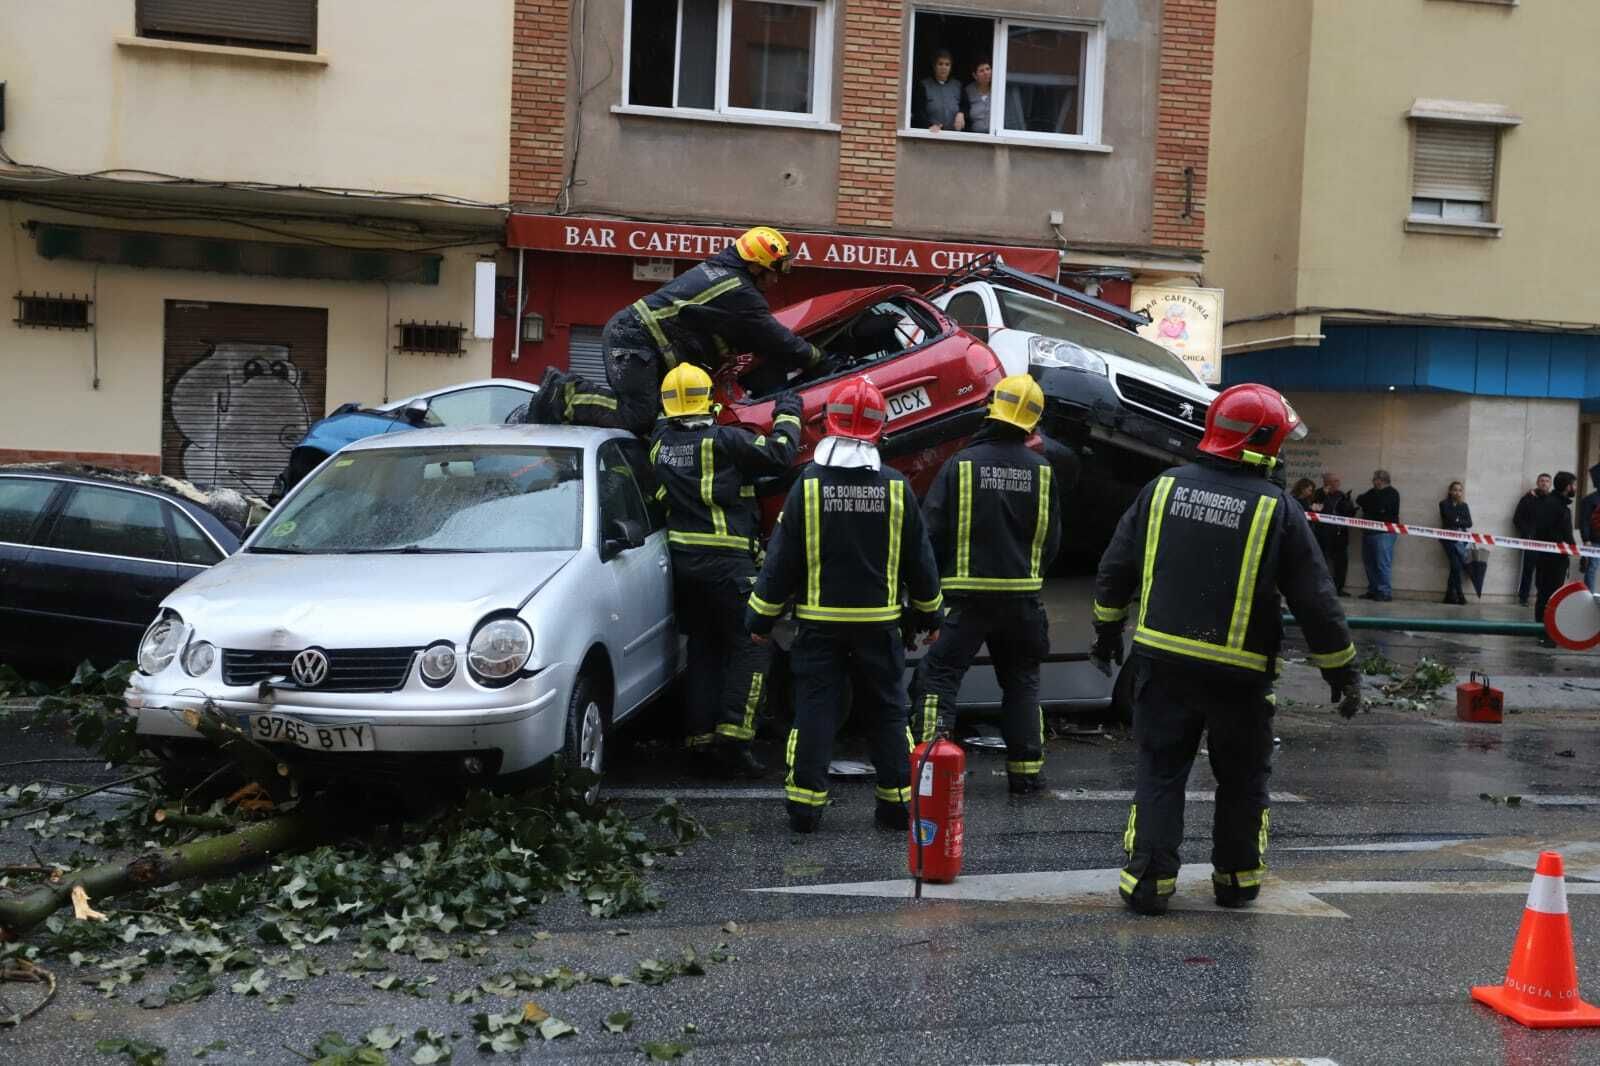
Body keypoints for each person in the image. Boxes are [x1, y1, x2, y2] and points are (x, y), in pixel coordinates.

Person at [1090, 383, 1358, 916]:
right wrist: (1341, 671)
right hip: (1240, 676)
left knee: (1161, 771)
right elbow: (1315, 600)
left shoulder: (1162, 488)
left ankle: (1147, 884)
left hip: (1162, 663)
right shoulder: (1277, 509)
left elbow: (1116, 567)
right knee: (1241, 780)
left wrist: (1105, 633)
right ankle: (1236, 881)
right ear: (1262, 444)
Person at [746, 378, 944, 834]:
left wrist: (759, 617)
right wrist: (932, 615)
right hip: (880, 626)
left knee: (816, 711)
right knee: (889, 712)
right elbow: (921, 561)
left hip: (819, 626)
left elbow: (781, 562)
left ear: (828, 423)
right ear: (880, 428)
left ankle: (805, 810)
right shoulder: (896, 487)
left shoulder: (808, 487)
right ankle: (896, 807)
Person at [907, 375, 1064, 795]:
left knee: (939, 677)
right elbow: (1052, 541)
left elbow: (930, 532)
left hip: (966, 601)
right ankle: (1027, 774)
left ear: (992, 409)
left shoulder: (962, 464)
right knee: (1021, 682)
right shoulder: (1043, 472)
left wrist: (923, 599)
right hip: (1022, 601)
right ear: (1032, 421)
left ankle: (930, 768)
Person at [527, 226, 832, 435]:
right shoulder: (738, 291)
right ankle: (565, 394)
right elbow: (773, 337)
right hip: (633, 339)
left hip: (638, 339)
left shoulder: (725, 275)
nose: (777, 280)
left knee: (661, 418)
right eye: (777, 272)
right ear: (757, 266)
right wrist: (818, 357)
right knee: (638, 415)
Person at [652, 364, 803, 777]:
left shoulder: (658, 444)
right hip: (729, 564)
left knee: (703, 649)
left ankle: (700, 742)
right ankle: (735, 742)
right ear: (708, 400)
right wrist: (789, 409)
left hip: (684, 567)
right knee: (752, 645)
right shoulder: (726, 442)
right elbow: (781, 453)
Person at [1531, 471, 1578, 644]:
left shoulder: (1551, 503)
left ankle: (1541, 632)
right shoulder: (1556, 506)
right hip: (1553, 559)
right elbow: (1562, 534)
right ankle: (1546, 633)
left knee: (1544, 595)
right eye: (1573, 484)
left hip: (1549, 557)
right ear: (1567, 487)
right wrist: (1571, 548)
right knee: (1550, 596)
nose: (1575, 488)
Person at [1355, 470, 1400, 601]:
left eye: (1374, 479)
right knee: (1369, 563)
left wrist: (1371, 505)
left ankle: (1384, 592)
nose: (1373, 481)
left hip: (1384, 533)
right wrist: (1372, 505)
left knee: (1382, 563)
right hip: (1369, 532)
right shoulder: (1372, 492)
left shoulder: (1392, 493)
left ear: (1381, 480)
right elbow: (1360, 499)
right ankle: (1373, 590)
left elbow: (1380, 508)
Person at [1311, 473, 1356, 595]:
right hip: (1323, 533)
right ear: (1326, 482)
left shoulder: (1342, 495)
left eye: (1337, 481)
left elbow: (1349, 514)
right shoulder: (1318, 494)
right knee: (1322, 562)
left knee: (1341, 563)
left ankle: (1338, 588)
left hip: (1340, 534)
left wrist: (1349, 507)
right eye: (1334, 481)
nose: (1336, 484)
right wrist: (1321, 497)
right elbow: (1314, 510)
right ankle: (1321, 588)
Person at [1513, 474, 1552, 606]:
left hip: (1547, 543)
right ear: (1537, 482)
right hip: (1531, 540)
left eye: (1547, 481)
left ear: (1550, 484)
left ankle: (1542, 599)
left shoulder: (1552, 500)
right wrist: (1527, 532)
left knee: (1544, 572)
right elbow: (1517, 519)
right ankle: (1523, 598)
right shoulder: (1528, 498)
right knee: (1528, 569)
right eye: (1542, 481)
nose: (1544, 483)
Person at [1438, 481, 1473, 606]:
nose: (1457, 492)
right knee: (1456, 566)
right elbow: (1448, 519)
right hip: (1448, 539)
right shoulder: (1444, 504)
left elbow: (1469, 523)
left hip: (1461, 540)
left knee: (1455, 567)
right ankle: (1460, 595)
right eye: (1455, 490)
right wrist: (1459, 520)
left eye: (1459, 490)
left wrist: (1457, 520)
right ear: (1450, 491)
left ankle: (1448, 595)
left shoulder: (1464, 505)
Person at [913, 49, 965, 132]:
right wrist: (929, 126)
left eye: (947, 64)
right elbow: (919, 112)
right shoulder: (924, 85)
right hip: (932, 134)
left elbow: (965, 105)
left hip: (954, 136)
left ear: (951, 67)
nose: (944, 67)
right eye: (940, 64)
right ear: (934, 66)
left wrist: (961, 113)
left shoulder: (958, 85)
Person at [1580, 464, 1600, 594]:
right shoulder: (1590, 499)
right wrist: (1586, 539)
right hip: (1594, 540)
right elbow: (1585, 521)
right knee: (1592, 568)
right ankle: (1589, 595)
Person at [962, 59, 993, 134]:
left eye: (988, 69)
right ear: (975, 76)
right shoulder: (968, 91)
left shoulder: (998, 90)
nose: (986, 73)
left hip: (995, 137)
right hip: (975, 137)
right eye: (981, 71)